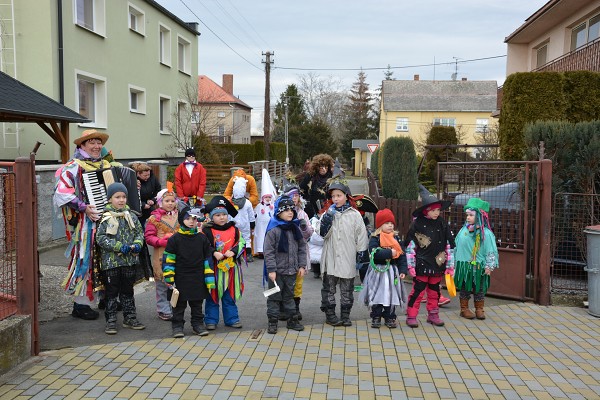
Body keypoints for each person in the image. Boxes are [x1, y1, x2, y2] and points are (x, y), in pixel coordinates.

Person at [53, 129, 112, 320]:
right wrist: (83, 206)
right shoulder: (72, 167)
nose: (96, 146)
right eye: (91, 143)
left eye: (98, 142)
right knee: (84, 259)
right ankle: (81, 304)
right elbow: (61, 193)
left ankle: (105, 296)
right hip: (85, 225)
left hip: (107, 222)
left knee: (106, 259)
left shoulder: (106, 164)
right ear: (82, 146)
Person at [95, 183, 146, 334]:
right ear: (110, 199)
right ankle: (111, 321)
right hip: (111, 263)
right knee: (111, 293)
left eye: (124, 197)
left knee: (128, 291)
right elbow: (100, 238)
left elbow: (139, 233)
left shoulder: (131, 216)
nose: (121, 200)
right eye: (117, 197)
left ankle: (130, 317)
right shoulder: (105, 217)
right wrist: (117, 246)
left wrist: (137, 244)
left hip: (129, 261)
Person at [318, 179, 368, 327]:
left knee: (347, 289)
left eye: (339, 195)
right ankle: (330, 315)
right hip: (331, 257)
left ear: (346, 196)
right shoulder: (328, 213)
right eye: (333, 196)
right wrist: (328, 218)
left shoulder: (355, 215)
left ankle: (345, 315)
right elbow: (322, 234)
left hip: (347, 256)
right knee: (329, 288)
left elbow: (361, 235)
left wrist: (361, 253)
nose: (336, 199)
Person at [404, 185, 455, 328]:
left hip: (438, 263)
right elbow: (410, 247)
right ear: (426, 210)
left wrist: (450, 265)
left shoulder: (442, 223)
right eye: (433, 210)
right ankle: (412, 315)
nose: (436, 213)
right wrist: (411, 265)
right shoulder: (417, 224)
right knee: (418, 291)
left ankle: (433, 314)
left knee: (434, 291)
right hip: (421, 264)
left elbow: (449, 245)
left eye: (438, 210)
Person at [163, 204, 214, 338]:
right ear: (182, 220)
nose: (192, 221)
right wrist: (169, 278)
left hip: (197, 276)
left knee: (197, 303)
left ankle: (197, 325)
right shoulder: (174, 239)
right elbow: (168, 260)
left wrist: (209, 279)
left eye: (194, 219)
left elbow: (208, 259)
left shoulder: (202, 238)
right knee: (178, 305)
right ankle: (177, 326)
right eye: (188, 218)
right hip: (180, 276)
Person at [264, 196, 308, 334]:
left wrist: (302, 265)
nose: (290, 212)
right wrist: (271, 270)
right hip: (276, 273)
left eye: (292, 210)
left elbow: (302, 248)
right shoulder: (273, 230)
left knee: (290, 297)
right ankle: (272, 322)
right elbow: (268, 252)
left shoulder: (295, 229)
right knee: (273, 297)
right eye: (286, 210)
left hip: (291, 271)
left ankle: (292, 320)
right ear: (279, 212)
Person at [360, 208, 408, 329]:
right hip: (377, 271)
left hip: (392, 271)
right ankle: (376, 316)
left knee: (391, 294)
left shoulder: (396, 239)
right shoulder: (375, 239)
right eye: (387, 223)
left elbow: (401, 255)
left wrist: (403, 270)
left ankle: (390, 316)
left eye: (392, 223)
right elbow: (374, 253)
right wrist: (389, 253)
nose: (390, 226)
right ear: (380, 225)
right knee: (377, 293)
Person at [202, 195, 245, 330]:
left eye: (224, 215)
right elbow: (203, 245)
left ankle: (232, 319)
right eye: (218, 215)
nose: (221, 217)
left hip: (231, 269)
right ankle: (211, 320)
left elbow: (242, 242)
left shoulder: (234, 229)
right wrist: (214, 252)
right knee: (212, 295)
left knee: (229, 295)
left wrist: (233, 251)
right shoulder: (207, 230)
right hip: (213, 268)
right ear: (211, 217)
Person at [453, 198, 499, 320]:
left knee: (479, 288)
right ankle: (464, 309)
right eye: (467, 215)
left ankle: (479, 309)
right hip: (464, 266)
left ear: (479, 216)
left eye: (471, 215)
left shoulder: (486, 234)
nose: (468, 217)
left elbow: (490, 250)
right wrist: (454, 264)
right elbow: (457, 247)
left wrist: (489, 266)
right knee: (465, 288)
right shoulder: (463, 230)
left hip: (479, 267)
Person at [144, 183, 179, 321]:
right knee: (162, 284)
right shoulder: (154, 219)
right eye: (167, 201)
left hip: (177, 255)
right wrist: (160, 242)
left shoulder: (180, 216)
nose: (170, 203)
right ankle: (162, 308)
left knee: (175, 282)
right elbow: (148, 237)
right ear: (159, 203)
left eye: (172, 201)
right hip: (161, 254)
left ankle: (173, 305)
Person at [282, 183, 313, 320]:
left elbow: (308, 234)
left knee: (297, 283)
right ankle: (282, 307)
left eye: (296, 195)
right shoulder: (281, 213)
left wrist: (304, 227)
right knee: (283, 282)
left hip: (299, 254)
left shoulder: (302, 213)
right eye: (291, 196)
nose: (294, 198)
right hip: (284, 254)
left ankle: (295, 307)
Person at [300, 153, 334, 218]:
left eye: (326, 167)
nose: (324, 169)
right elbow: (302, 189)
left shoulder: (332, 177)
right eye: (321, 167)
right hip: (312, 208)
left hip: (329, 208)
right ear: (316, 167)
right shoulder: (310, 176)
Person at [231, 176, 256, 262]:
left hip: (233, 224)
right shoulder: (247, 203)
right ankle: (248, 255)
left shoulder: (231, 202)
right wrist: (252, 223)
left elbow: (229, 214)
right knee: (246, 238)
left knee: (234, 238)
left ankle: (236, 254)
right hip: (245, 223)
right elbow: (251, 214)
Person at [253, 169, 277, 258]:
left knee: (269, 237)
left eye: (269, 197)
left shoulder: (273, 206)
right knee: (260, 237)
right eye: (266, 197)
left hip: (269, 225)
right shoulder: (260, 206)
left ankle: (269, 251)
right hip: (261, 226)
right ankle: (261, 251)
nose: (267, 199)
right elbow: (255, 213)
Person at [132, 162, 161, 227]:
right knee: (141, 227)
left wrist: (153, 200)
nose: (147, 177)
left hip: (150, 207)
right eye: (145, 175)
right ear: (138, 174)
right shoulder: (134, 181)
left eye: (148, 175)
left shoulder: (152, 177)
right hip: (138, 210)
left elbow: (158, 190)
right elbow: (132, 197)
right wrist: (142, 204)